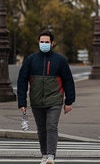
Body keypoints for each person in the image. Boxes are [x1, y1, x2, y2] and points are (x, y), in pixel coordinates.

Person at [17, 31, 76, 164]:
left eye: (46, 42)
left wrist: (69, 101)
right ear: (38, 43)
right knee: (41, 129)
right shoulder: (30, 60)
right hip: (36, 101)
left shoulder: (60, 60)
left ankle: (51, 155)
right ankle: (44, 154)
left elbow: (68, 80)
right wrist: (22, 102)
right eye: (42, 42)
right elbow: (22, 81)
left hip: (55, 100)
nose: (44, 44)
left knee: (51, 127)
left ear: (52, 43)